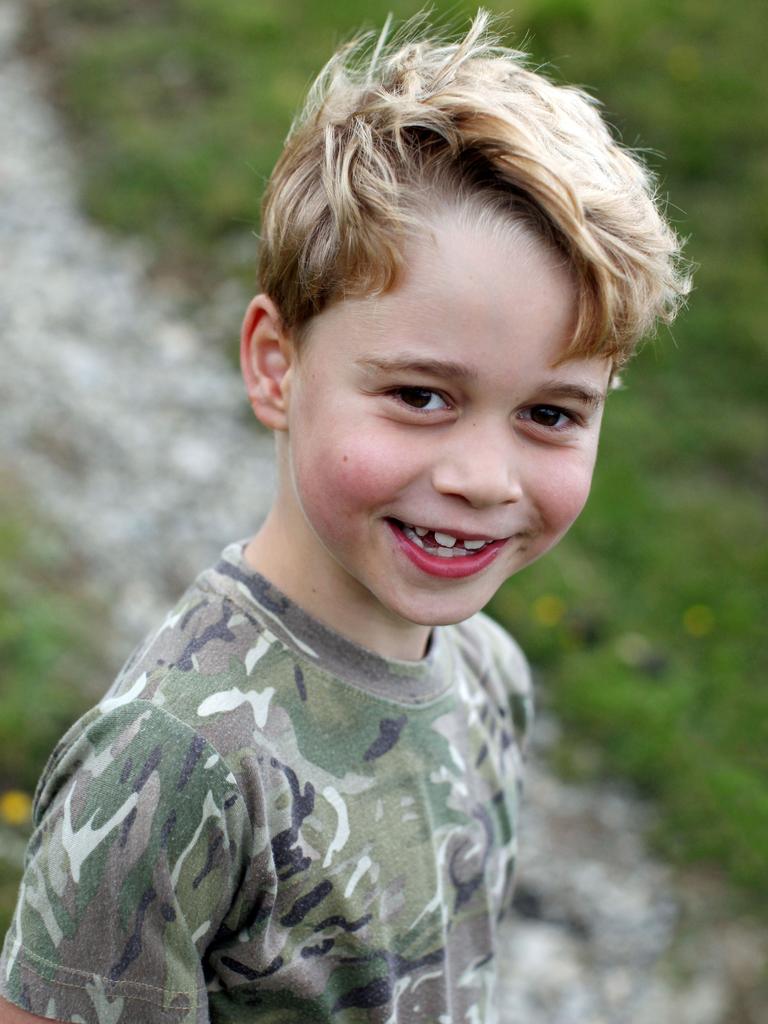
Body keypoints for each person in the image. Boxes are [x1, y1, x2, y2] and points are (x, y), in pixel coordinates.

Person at [0, 10, 689, 1023]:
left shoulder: (487, 674)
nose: (485, 477)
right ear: (276, 364)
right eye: (421, 395)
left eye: (549, 413)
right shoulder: (175, 766)